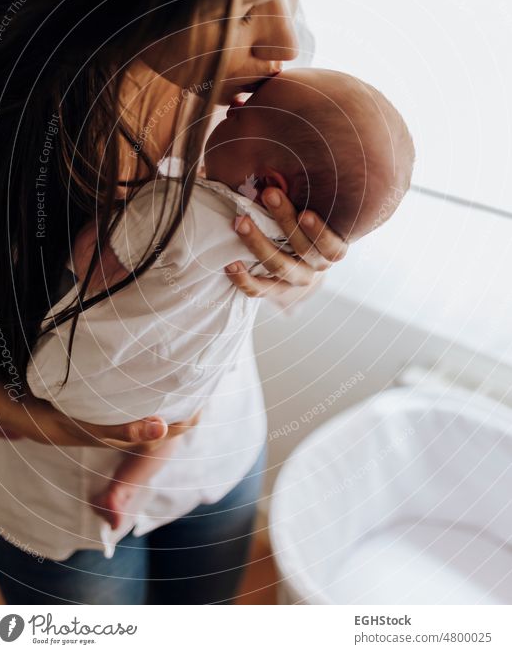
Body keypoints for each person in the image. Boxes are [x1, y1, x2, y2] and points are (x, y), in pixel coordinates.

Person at [0, 0, 349, 604]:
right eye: (246, 0)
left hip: (216, 445)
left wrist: (293, 270)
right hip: (58, 499)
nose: (289, 40)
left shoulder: (253, 80)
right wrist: (61, 426)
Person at [70, 68, 414, 531]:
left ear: (269, 182)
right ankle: (129, 484)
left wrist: (97, 233)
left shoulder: (180, 209)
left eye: (245, 112)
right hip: (193, 388)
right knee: (176, 418)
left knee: (165, 417)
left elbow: (97, 271)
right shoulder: (277, 219)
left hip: (147, 386)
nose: (235, 105)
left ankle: (128, 481)